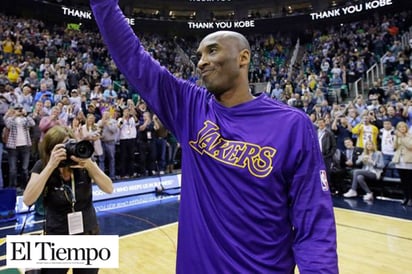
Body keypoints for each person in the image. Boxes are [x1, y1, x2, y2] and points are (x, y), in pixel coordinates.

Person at [91, 1, 338, 272]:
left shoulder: (292, 124)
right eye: (199, 55)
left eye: (212, 51)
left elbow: (313, 223)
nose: (201, 62)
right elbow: (132, 57)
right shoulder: (190, 107)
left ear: (243, 58)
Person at [23, 126, 113, 274]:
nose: (68, 150)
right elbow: (27, 199)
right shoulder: (43, 166)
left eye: (70, 144)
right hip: (57, 236)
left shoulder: (83, 164)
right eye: (62, 147)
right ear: (50, 150)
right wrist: (51, 166)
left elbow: (109, 188)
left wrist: (90, 165)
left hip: (87, 234)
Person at [391, 121, 412, 206]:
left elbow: (410, 146)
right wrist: (396, 138)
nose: (402, 129)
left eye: (403, 127)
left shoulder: (410, 135)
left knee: (410, 181)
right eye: (400, 127)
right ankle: (405, 197)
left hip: (409, 160)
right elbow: (394, 147)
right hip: (400, 160)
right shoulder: (397, 136)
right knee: (403, 181)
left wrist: (402, 137)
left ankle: (411, 198)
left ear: (406, 128)